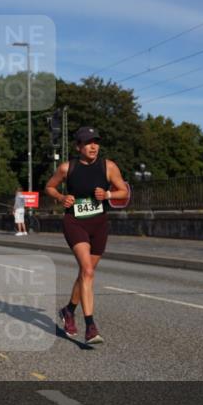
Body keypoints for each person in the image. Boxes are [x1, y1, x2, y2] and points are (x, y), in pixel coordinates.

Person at [44, 127, 129, 345]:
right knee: (88, 270)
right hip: (75, 223)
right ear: (78, 146)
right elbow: (49, 187)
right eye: (88, 142)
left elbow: (123, 191)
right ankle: (90, 326)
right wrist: (62, 197)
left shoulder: (108, 166)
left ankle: (68, 310)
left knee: (86, 272)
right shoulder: (67, 168)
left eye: (96, 142)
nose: (93, 146)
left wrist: (108, 194)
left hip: (99, 224)